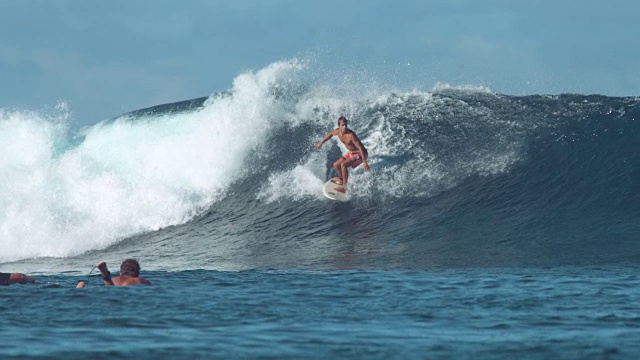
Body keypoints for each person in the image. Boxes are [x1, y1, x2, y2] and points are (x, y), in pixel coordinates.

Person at [314, 116, 370, 192]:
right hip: (352, 153)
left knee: (343, 165)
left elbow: (360, 147)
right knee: (336, 165)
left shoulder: (351, 135)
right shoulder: (338, 132)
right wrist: (321, 143)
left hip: (361, 153)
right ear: (339, 126)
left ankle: (344, 187)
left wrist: (365, 162)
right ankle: (342, 179)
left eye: (346, 125)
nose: (345, 127)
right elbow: (330, 134)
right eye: (343, 125)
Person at [76, 259, 150, 288]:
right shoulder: (143, 281)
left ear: (120, 272)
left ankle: (106, 276)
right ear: (138, 272)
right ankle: (105, 275)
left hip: (113, 286)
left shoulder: (115, 279)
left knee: (109, 287)